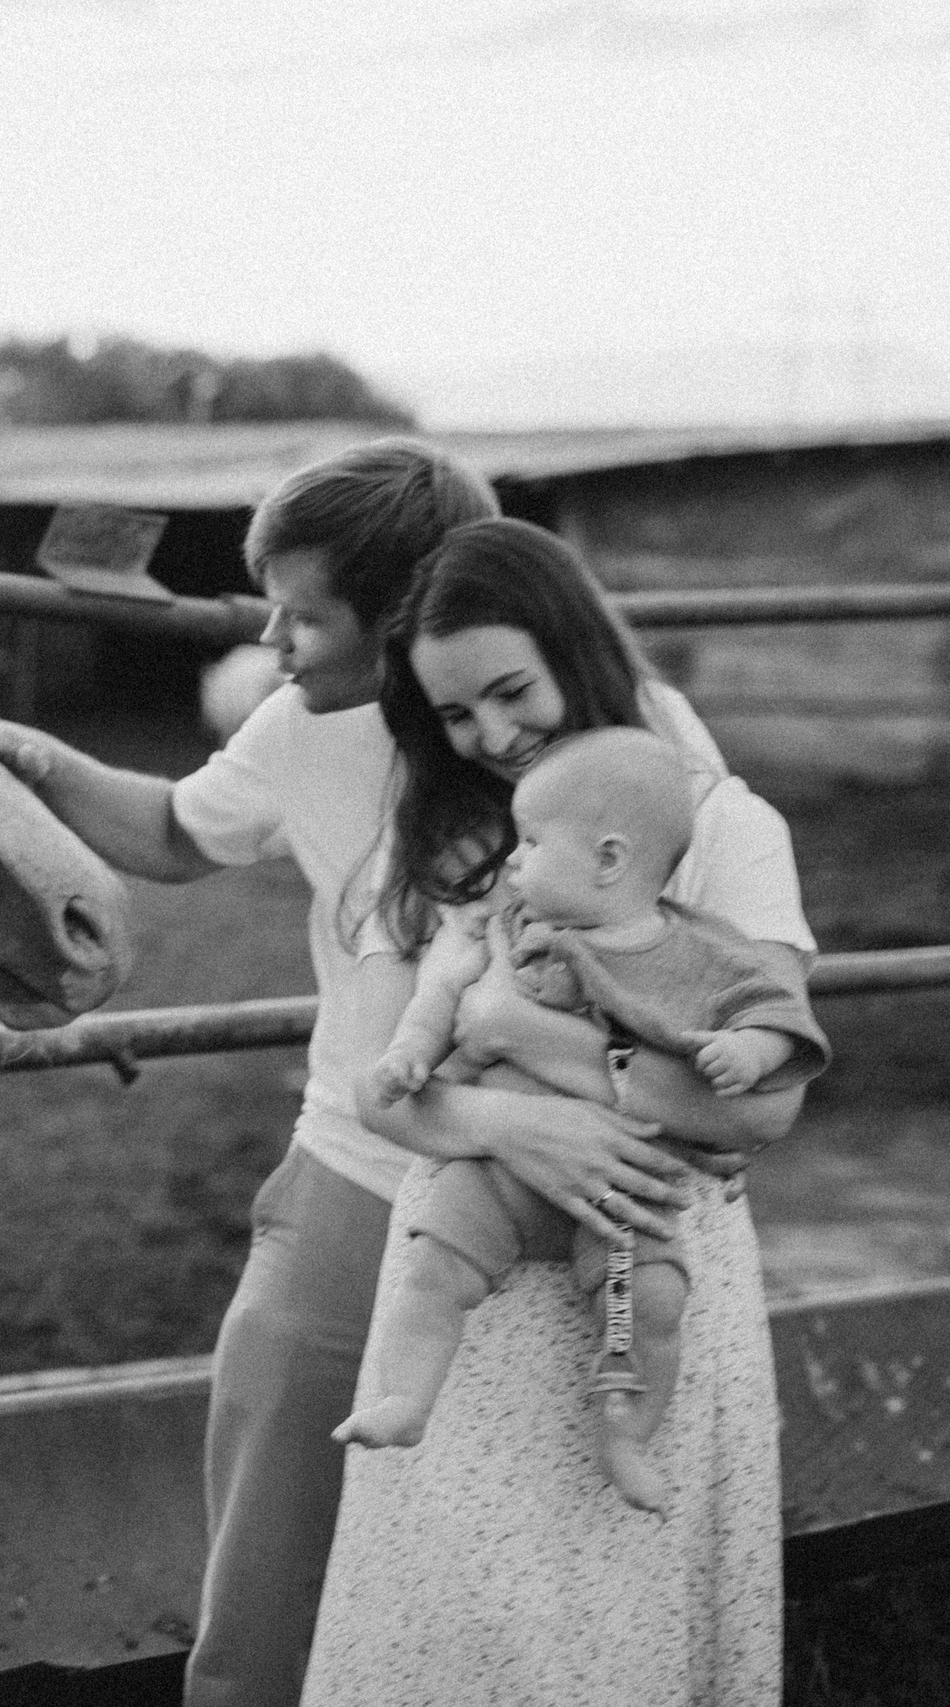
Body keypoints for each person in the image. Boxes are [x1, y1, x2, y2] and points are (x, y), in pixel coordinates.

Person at [0, 437, 668, 1707]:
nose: (272, 637)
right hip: (359, 1177)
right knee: (271, 1550)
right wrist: (33, 757)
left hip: (563, 1203)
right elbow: (170, 830)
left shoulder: (618, 749)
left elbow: (707, 981)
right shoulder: (302, 730)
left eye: (306, 614)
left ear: (405, 617)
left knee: (523, 1563)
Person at [297, 517, 813, 1706]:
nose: (490, 737)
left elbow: (762, 1110)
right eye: (454, 717)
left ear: (572, 648)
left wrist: (525, 1044)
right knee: (467, 1620)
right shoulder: (434, 845)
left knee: (614, 1618)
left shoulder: (720, 830)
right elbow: (381, 1083)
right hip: (464, 1275)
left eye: (508, 691)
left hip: (647, 1247)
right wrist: (502, 1125)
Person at [334, 725, 827, 1513]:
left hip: (624, 1191)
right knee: (434, 1271)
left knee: (648, 1310)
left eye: (530, 842)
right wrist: (411, 1054)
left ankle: (626, 1435)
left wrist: (752, 1052)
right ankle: (406, 1397)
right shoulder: (503, 929)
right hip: (497, 1173)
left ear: (608, 859)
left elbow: (775, 1012)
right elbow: (439, 997)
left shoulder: (700, 949)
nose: (514, 860)